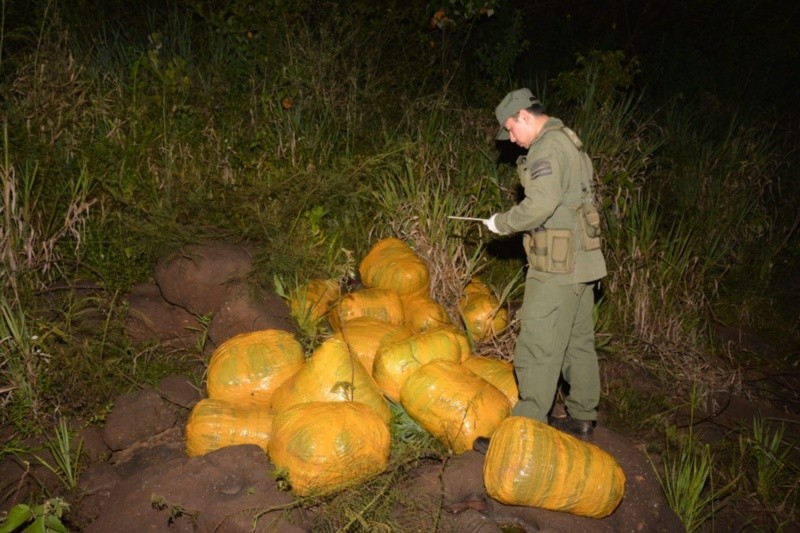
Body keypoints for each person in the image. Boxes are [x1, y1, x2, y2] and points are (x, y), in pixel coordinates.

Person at [479, 88, 607, 442]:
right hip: (583, 264)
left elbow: (541, 204)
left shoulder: (546, 148)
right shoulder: (570, 142)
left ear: (524, 116)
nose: (512, 140)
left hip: (556, 265)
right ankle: (582, 417)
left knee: (537, 341)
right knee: (576, 341)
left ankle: (526, 428)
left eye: (511, 129)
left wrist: (502, 222)